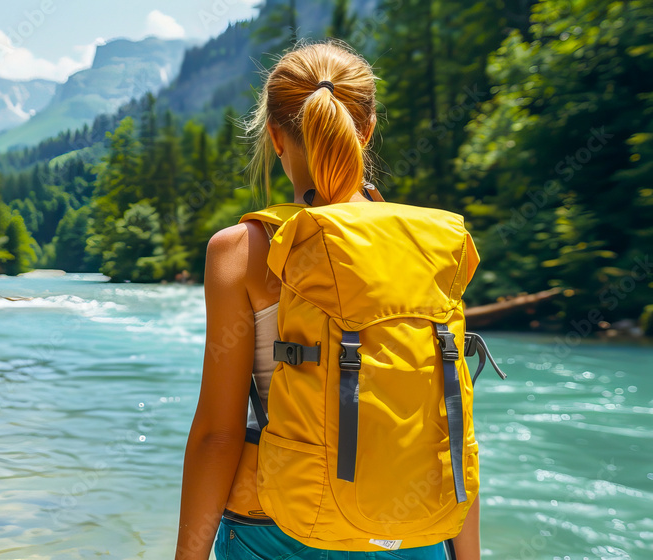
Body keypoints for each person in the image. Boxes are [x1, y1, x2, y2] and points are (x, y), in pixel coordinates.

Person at [174, 39, 481, 560]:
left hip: (278, 532)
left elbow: (218, 437)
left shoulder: (241, 251)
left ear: (274, 136)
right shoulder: (429, 244)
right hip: (416, 532)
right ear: (368, 128)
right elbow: (450, 423)